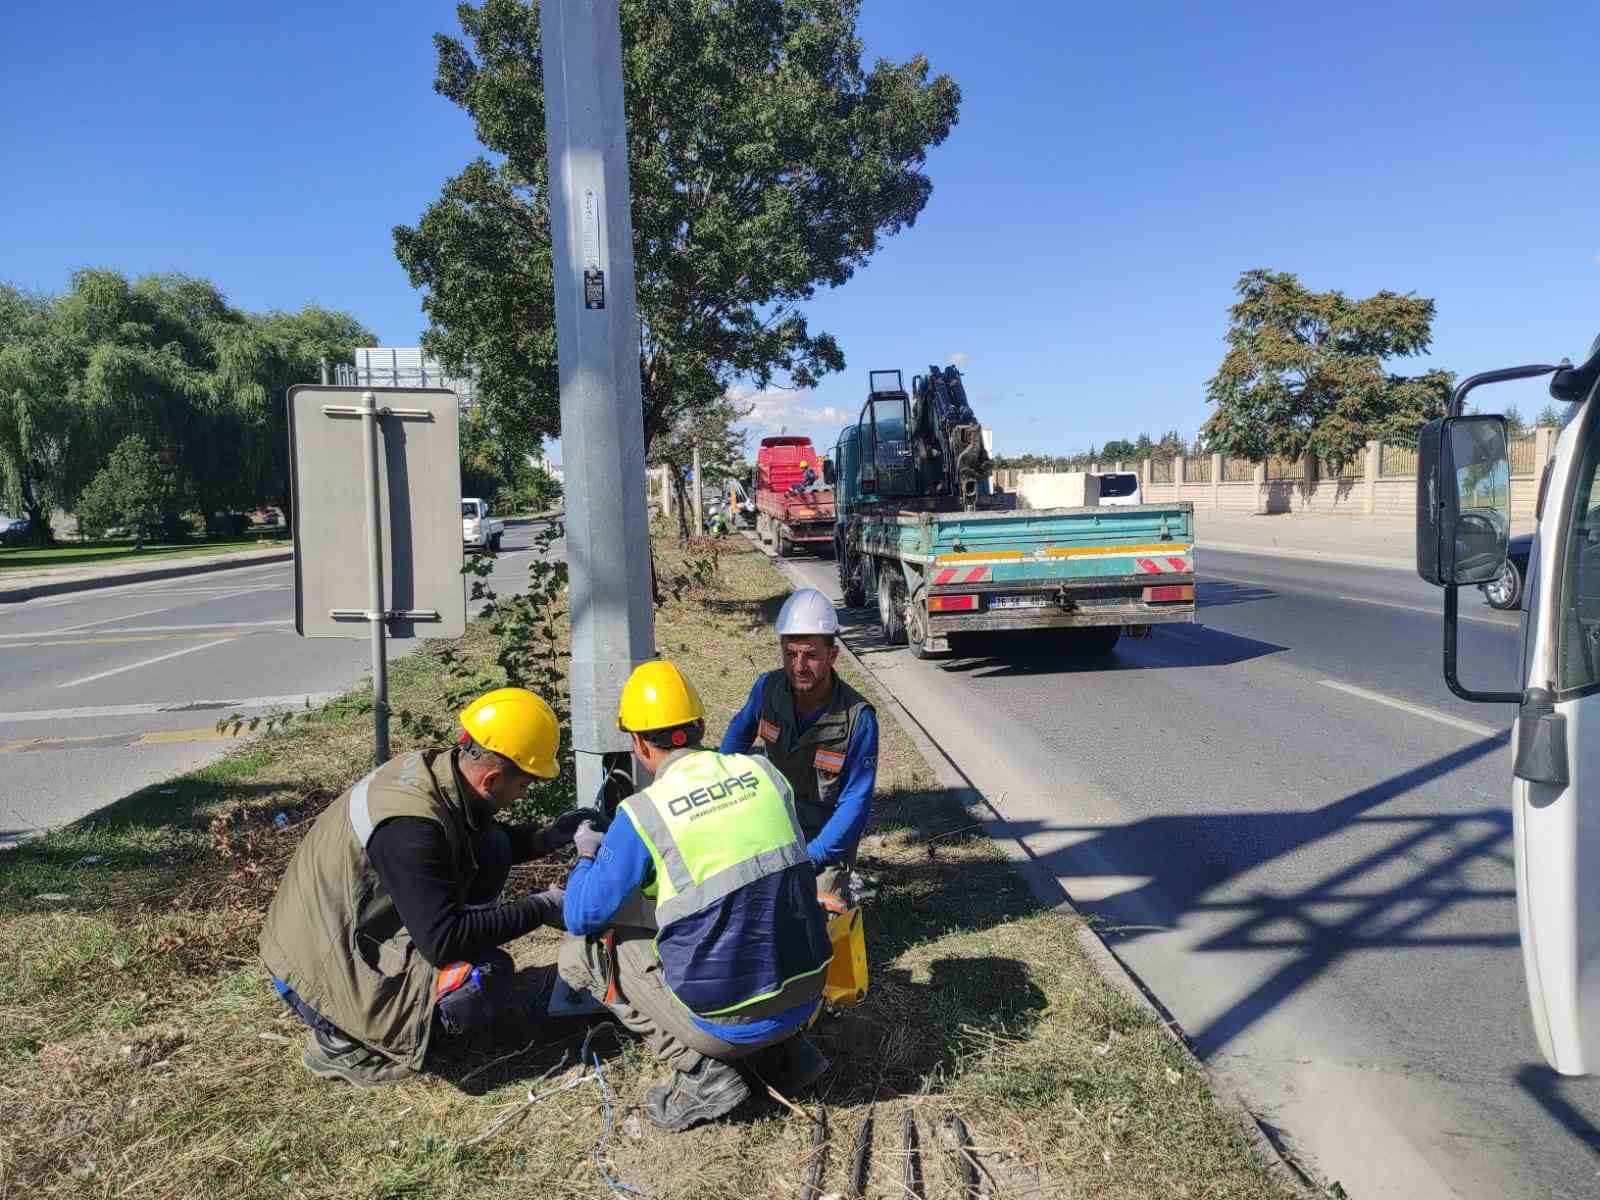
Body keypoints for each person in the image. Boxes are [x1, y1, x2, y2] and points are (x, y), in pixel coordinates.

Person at [260, 687, 592, 1087]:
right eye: (524, 784)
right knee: (484, 979)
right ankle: (341, 1040)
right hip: (313, 972)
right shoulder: (410, 829)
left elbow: (474, 839)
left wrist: (547, 837)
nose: (524, 794)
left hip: (339, 929)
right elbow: (444, 940)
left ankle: (388, 1001)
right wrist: (541, 906)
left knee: (494, 846)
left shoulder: (438, 771)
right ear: (491, 778)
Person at [558, 660, 833, 1132]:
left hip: (725, 1026)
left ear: (639, 743)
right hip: (808, 995)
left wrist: (587, 854)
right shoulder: (764, 773)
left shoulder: (644, 812)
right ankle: (787, 1051)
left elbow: (581, 914)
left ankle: (704, 1071)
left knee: (583, 951)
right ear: (701, 727)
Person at [720, 588, 878, 903]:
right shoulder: (767, 689)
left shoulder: (859, 720)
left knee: (816, 916)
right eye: (791, 654)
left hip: (824, 842)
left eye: (811, 655)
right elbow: (733, 746)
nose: (799, 666)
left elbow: (855, 804)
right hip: (769, 826)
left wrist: (812, 856)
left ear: (832, 656)